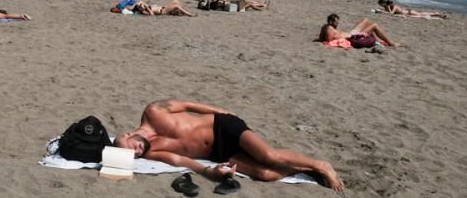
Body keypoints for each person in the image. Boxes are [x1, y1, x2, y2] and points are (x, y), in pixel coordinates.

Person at [113, 99, 343, 190]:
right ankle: (305, 169)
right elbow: (179, 160)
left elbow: (186, 103)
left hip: (223, 126)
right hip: (217, 153)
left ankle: (320, 165)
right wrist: (209, 171)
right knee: (264, 173)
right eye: (133, 155)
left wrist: (221, 111)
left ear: (126, 133)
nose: (136, 151)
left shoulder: (153, 111)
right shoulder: (151, 153)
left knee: (269, 156)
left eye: (130, 146)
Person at [319, 13, 400, 47]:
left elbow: (322, 37)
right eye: (336, 22)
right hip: (354, 37)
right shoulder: (329, 28)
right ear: (330, 22)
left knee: (365, 20)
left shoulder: (327, 27)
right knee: (374, 25)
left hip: (351, 34)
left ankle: (377, 40)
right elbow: (328, 40)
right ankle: (391, 43)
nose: (338, 23)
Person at [377, 0, 446, 18]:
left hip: (409, 12)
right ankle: (436, 14)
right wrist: (382, 10)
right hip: (407, 12)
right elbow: (388, 12)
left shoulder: (394, 7)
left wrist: (385, 10)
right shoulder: (387, 7)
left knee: (421, 14)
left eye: (381, 5)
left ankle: (436, 13)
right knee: (421, 13)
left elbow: (391, 13)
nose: (381, 6)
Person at [131, 0, 196, 17]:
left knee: (176, 1)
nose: (141, 4)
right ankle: (190, 14)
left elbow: (140, 1)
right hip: (162, 11)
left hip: (163, 7)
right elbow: (152, 15)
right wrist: (147, 8)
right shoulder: (143, 11)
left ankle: (180, 12)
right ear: (139, 8)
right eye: (140, 5)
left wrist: (139, 4)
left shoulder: (143, 6)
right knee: (177, 6)